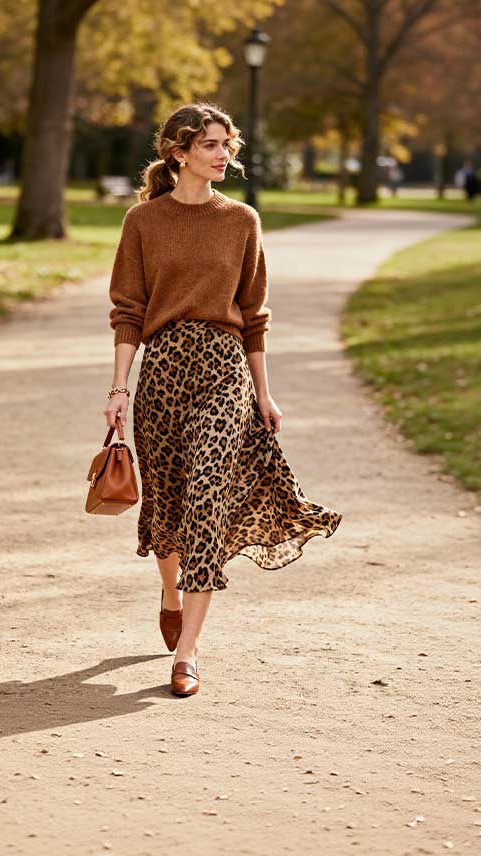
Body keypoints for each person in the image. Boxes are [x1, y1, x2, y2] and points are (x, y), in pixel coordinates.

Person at [104, 102, 343, 697]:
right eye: (210, 144)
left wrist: (264, 393)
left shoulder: (242, 220)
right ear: (178, 152)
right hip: (162, 373)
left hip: (224, 372)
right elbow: (129, 311)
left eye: (226, 144)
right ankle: (170, 594)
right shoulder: (143, 222)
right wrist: (118, 387)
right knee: (166, 502)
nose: (223, 154)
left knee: (207, 496)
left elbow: (254, 315)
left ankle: (188, 651)